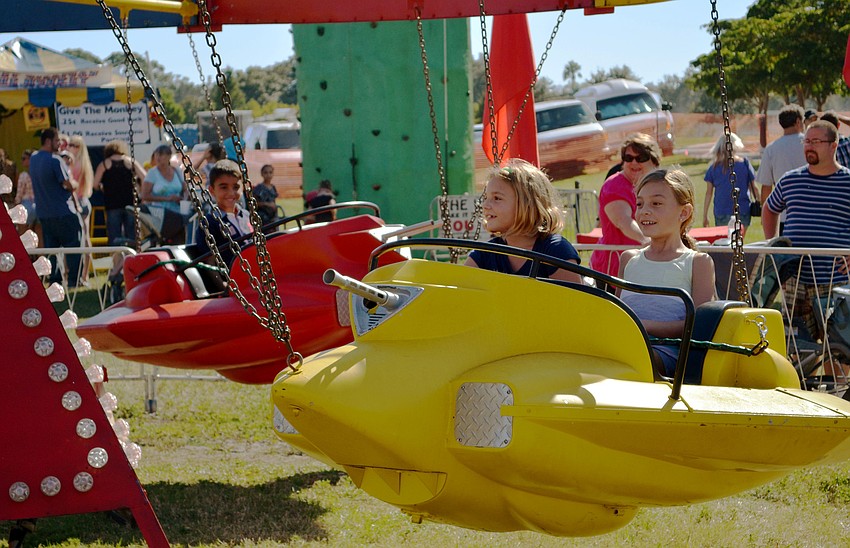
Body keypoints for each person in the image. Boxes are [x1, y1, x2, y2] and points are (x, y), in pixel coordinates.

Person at [619, 169, 716, 379]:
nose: (645, 211)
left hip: (666, 355)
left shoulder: (697, 263)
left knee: (633, 359)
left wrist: (645, 326)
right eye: (640, 204)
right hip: (625, 345)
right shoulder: (629, 259)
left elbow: (701, 327)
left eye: (656, 203)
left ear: (684, 212)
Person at [763, 120, 850, 340]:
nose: (809, 146)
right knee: (795, 349)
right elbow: (769, 209)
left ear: (833, 145)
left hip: (835, 281)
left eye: (816, 141)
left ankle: (835, 378)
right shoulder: (790, 180)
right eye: (807, 141)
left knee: (837, 350)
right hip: (795, 282)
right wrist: (774, 247)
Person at [464, 158, 582, 283]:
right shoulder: (485, 253)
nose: (485, 205)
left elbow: (575, 301)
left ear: (527, 204)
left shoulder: (555, 250)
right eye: (486, 197)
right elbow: (458, 292)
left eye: (497, 198)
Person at [589, 133, 659, 277]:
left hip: (647, 262)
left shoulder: (658, 186)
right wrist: (647, 242)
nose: (634, 162)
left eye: (640, 158)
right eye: (628, 158)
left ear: (654, 161)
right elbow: (623, 221)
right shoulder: (614, 186)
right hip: (615, 266)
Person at [29, 127, 82, 287]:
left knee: (52, 250)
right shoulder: (55, 160)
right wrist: (75, 182)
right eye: (57, 140)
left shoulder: (34, 158)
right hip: (63, 211)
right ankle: (74, 281)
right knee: (74, 247)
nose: (60, 144)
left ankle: (55, 280)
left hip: (45, 213)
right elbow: (68, 184)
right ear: (48, 141)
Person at [194, 159, 254, 265]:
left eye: (236, 187)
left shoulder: (246, 215)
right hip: (232, 277)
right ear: (212, 191)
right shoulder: (209, 223)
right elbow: (209, 263)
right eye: (224, 187)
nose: (231, 193)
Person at [93, 139, 147, 245]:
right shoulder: (130, 161)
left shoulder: (104, 164)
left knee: (114, 237)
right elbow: (144, 177)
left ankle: (117, 260)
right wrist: (140, 190)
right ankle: (133, 257)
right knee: (132, 235)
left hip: (112, 204)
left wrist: (101, 187)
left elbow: (95, 184)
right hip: (130, 202)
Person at [702, 132, 756, 229]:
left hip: (721, 210)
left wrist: (705, 215)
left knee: (725, 242)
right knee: (739, 241)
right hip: (742, 209)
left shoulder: (714, 168)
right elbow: (753, 188)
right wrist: (760, 203)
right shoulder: (745, 164)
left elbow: (708, 193)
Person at [757, 104, 805, 206]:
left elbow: (766, 186)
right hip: (809, 210)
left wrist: (765, 213)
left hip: (783, 212)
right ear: (798, 121)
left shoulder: (771, 149)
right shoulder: (811, 143)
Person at [68, 135, 94, 282]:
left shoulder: (74, 165)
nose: (70, 147)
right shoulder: (84, 164)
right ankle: (84, 275)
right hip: (84, 201)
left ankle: (81, 275)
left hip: (78, 203)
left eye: (73, 145)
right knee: (85, 239)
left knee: (79, 240)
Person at [142, 144, 185, 211]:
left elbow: (185, 189)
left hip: (178, 212)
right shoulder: (152, 173)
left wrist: (182, 199)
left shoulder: (176, 171)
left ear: (169, 156)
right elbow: (144, 196)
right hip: (159, 213)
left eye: (161, 155)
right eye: (156, 155)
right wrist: (167, 198)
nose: (158, 157)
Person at [15, 149, 36, 234]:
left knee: (22, 234)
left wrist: (16, 204)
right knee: (38, 234)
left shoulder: (23, 175)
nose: (22, 161)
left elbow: (19, 194)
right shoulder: (39, 174)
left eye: (24, 158)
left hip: (27, 205)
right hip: (39, 205)